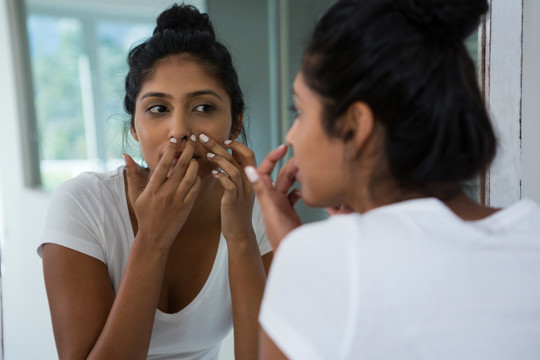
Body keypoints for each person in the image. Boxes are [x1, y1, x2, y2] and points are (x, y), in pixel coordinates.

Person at [245, 0, 540, 359]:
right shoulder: (531, 233)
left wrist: (295, 254)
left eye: (300, 112)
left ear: (355, 126)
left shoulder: (321, 260)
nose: (291, 137)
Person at [38, 4, 272, 359]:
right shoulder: (82, 204)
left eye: (204, 108)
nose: (179, 130)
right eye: (158, 109)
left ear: (235, 123)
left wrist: (240, 237)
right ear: (134, 126)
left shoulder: (254, 210)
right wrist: (152, 240)